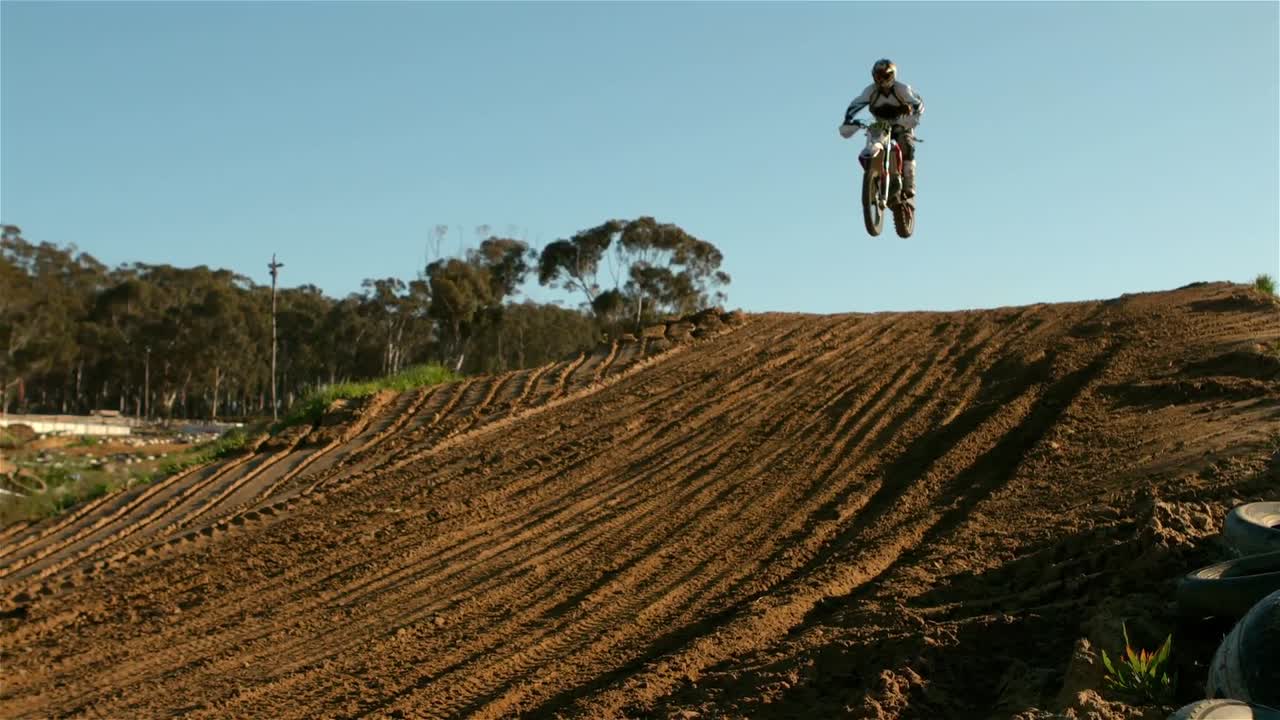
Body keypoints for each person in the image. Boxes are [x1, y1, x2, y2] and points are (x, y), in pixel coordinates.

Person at [839, 59, 924, 201]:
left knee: (906, 143)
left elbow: (918, 103)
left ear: (893, 75)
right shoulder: (870, 91)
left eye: (886, 76)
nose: (882, 80)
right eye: (879, 76)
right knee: (872, 141)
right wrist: (849, 120)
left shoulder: (901, 89)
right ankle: (876, 174)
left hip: (902, 123)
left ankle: (909, 181)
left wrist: (914, 116)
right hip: (881, 125)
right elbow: (855, 105)